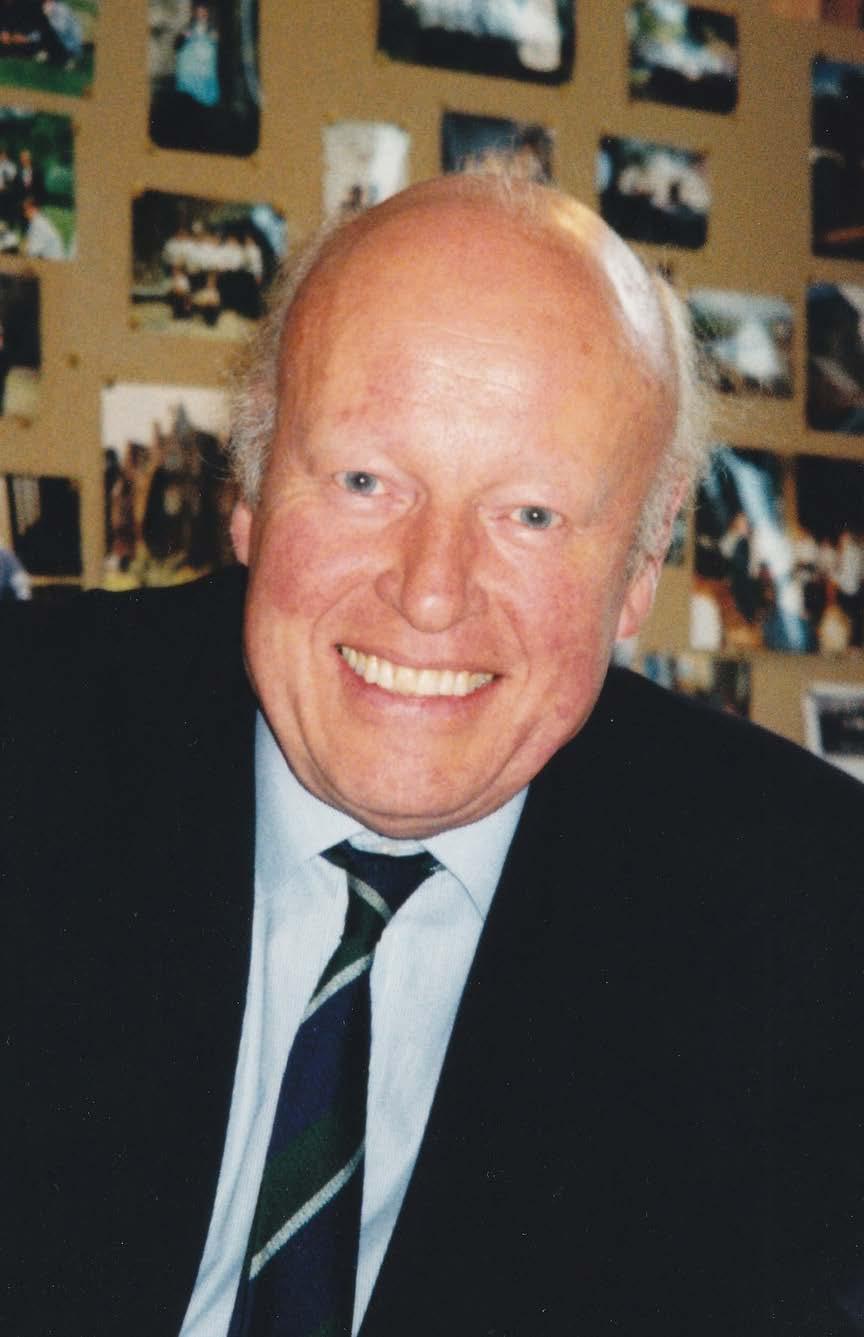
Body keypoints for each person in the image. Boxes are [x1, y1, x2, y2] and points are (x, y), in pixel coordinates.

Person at [5, 174, 864, 1336]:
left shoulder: (808, 914)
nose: (430, 590)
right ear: (251, 486)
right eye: (366, 480)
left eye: (532, 514)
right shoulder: (30, 738)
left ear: (645, 558)